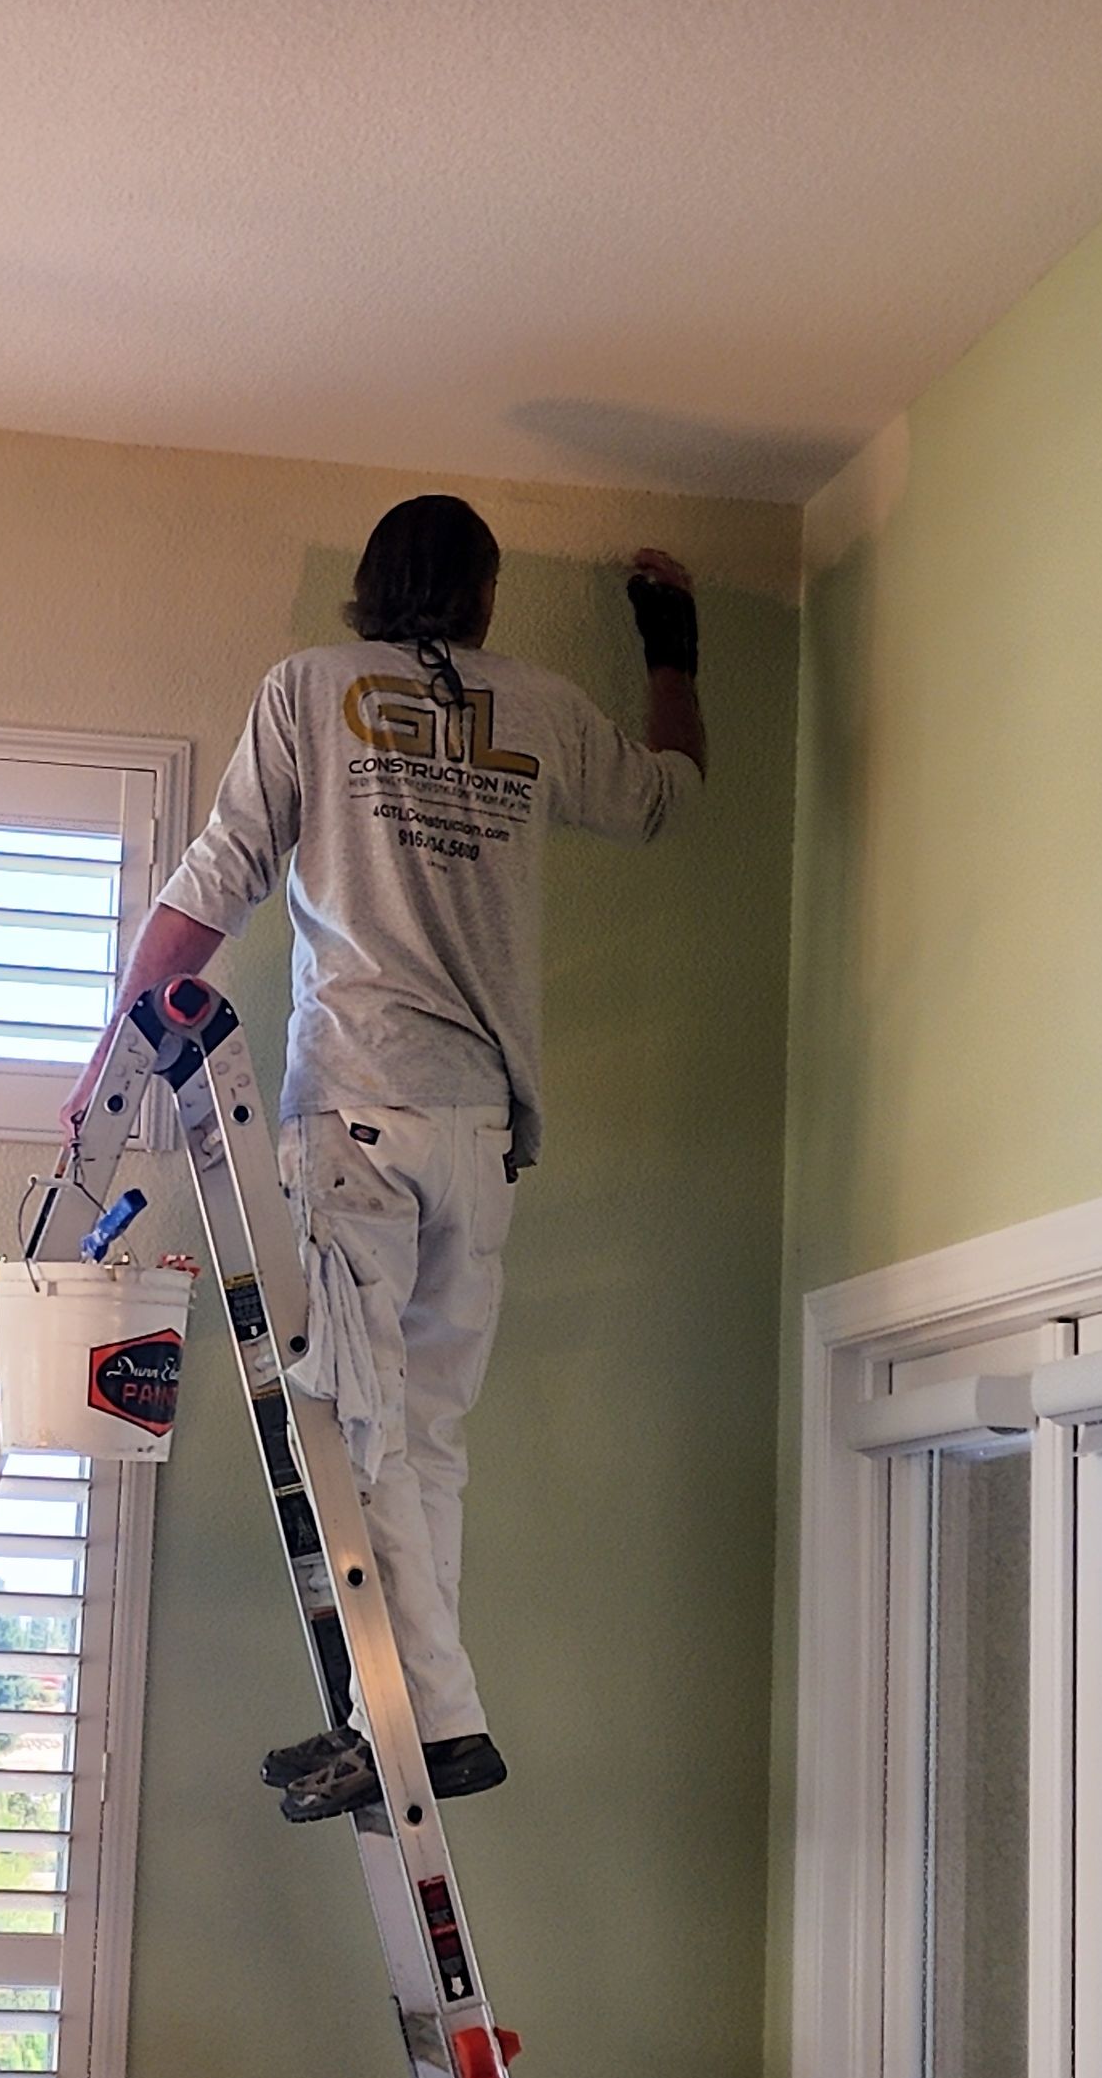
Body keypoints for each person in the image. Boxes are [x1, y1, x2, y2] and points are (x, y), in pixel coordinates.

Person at [63, 495, 704, 1820]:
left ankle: (436, 1723)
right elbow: (665, 802)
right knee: (424, 1442)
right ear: (482, 600)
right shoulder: (534, 708)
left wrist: (102, 1065)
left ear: (366, 590)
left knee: (365, 1446)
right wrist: (673, 648)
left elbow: (217, 877)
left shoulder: (312, 689)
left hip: (354, 1119)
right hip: (479, 1133)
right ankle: (388, 1719)